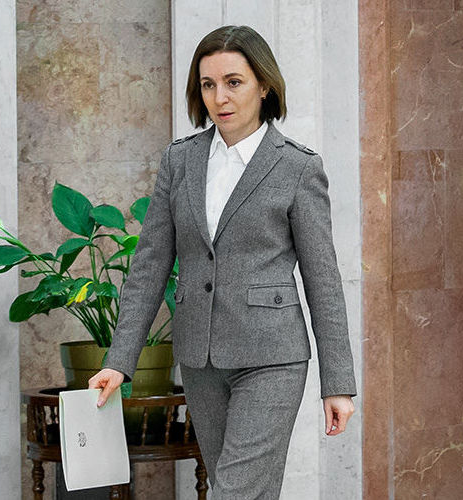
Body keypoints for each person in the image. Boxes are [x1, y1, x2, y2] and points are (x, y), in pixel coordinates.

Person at [88, 25, 356, 498]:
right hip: (200, 358)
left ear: (264, 85)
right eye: (208, 84)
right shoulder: (180, 161)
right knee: (236, 488)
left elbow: (323, 279)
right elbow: (150, 265)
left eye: (234, 82)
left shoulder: (297, 167)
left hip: (272, 358)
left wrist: (337, 382)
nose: (220, 97)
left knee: (235, 492)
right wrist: (120, 360)